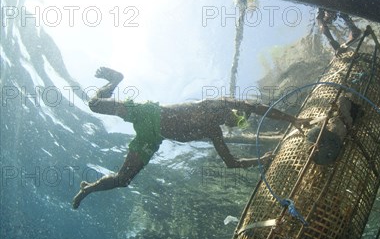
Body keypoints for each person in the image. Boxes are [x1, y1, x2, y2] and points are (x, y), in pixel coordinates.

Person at [72, 67, 308, 209]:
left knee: (123, 180)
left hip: (153, 137)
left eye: (237, 121)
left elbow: (231, 163)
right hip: (149, 113)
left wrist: (262, 160)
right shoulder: (217, 104)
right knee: (94, 104)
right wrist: (293, 119)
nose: (234, 118)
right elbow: (257, 107)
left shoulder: (214, 132)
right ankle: (116, 80)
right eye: (237, 114)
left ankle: (89, 189)